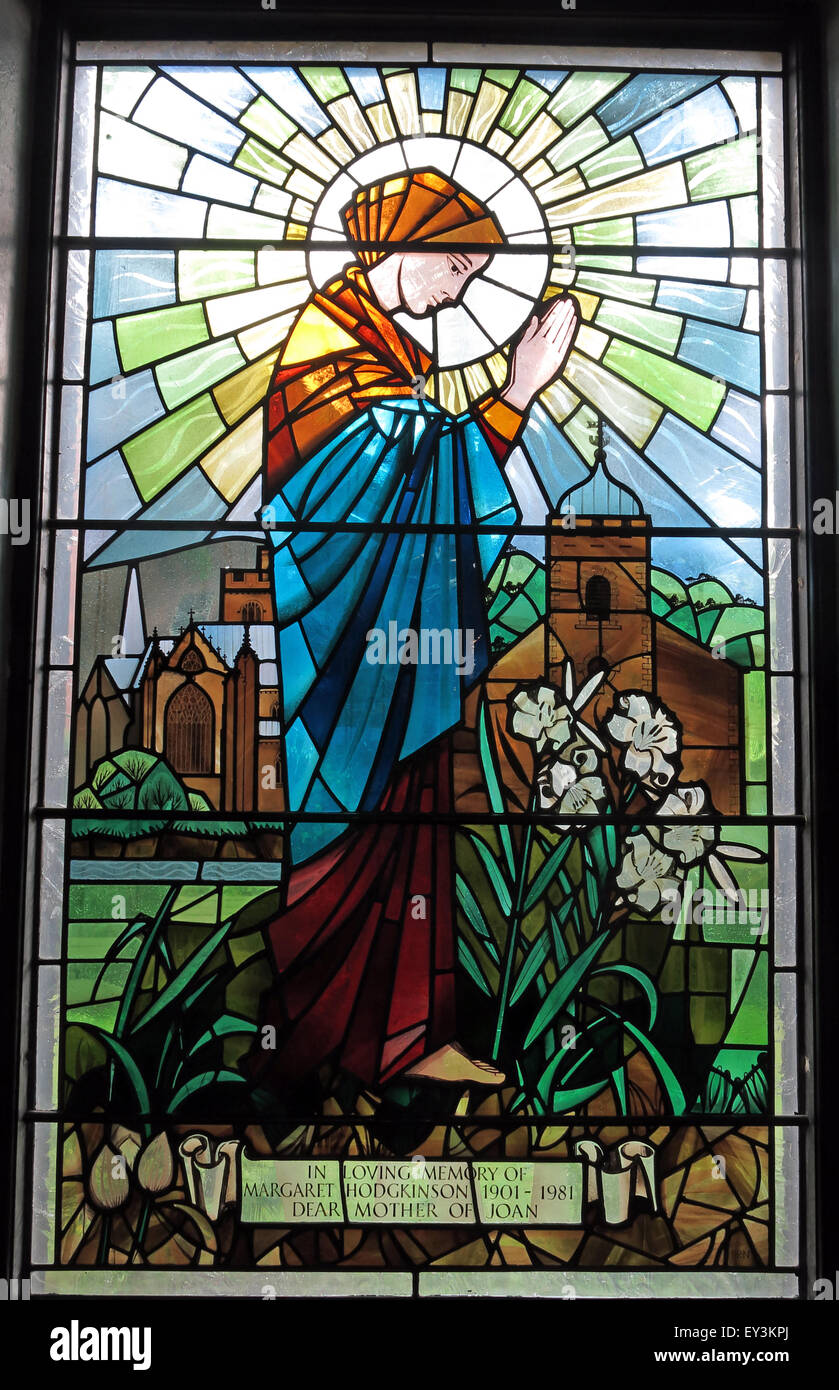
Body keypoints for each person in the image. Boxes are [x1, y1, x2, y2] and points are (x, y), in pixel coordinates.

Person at [249, 170, 578, 1094]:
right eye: (455, 265)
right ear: (399, 245)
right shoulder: (327, 354)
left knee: (415, 819)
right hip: (347, 656)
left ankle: (411, 1040)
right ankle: (321, 1050)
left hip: (401, 647)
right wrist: (515, 391)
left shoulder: (385, 358)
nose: (459, 289)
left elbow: (424, 469)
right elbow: (371, 482)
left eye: (472, 273)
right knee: (360, 823)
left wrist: (489, 407)